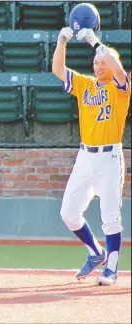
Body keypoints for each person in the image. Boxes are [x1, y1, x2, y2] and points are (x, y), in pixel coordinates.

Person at [52, 27, 130, 286]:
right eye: (95, 63)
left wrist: (96, 42)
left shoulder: (120, 88)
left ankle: (112, 269)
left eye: (102, 62)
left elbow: (118, 70)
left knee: (110, 216)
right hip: (85, 156)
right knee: (68, 213)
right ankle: (96, 252)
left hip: (109, 157)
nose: (98, 66)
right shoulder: (85, 84)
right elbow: (58, 71)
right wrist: (62, 40)